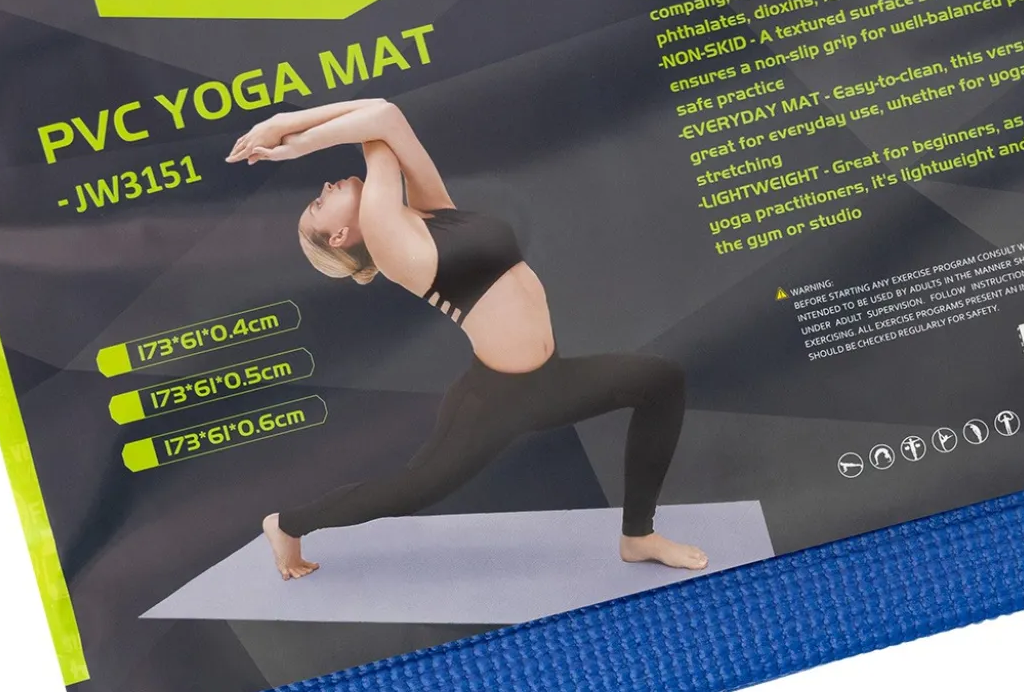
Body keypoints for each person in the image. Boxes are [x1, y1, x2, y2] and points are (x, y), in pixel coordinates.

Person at [226, 97, 708, 580]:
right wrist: (296, 140)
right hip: (497, 400)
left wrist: (284, 123)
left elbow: (386, 115)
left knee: (661, 381)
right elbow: (377, 125)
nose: (326, 188)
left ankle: (637, 536)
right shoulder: (390, 244)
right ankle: (286, 524)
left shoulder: (427, 213)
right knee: (411, 491)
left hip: (550, 380)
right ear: (339, 237)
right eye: (319, 205)